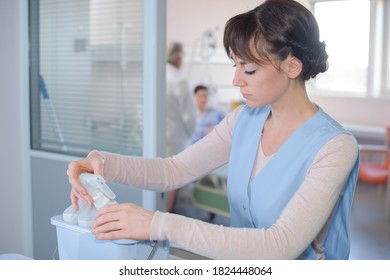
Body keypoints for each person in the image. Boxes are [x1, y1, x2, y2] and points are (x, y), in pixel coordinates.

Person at [67, 0, 359, 259]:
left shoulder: (334, 147)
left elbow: (278, 246)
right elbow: (173, 170)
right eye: (235, 65)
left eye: (249, 69)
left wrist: (156, 223)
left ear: (292, 67)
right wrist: (102, 163)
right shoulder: (244, 121)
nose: (236, 80)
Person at [165, 41, 197, 157]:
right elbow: (190, 118)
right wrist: (191, 136)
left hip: (155, 138)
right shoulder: (179, 81)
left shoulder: (156, 76)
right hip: (176, 141)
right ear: (179, 57)